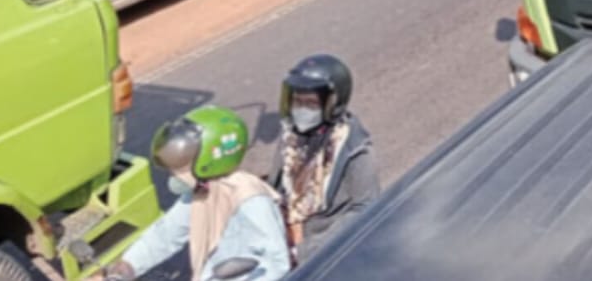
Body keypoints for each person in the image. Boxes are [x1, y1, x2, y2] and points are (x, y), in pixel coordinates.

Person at [91, 107, 289, 281]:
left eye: (181, 167)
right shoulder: (201, 192)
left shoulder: (251, 200)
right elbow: (166, 234)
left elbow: (276, 263)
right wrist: (126, 267)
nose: (174, 174)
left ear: (207, 161)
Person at [271, 54, 379, 266]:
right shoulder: (290, 140)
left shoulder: (355, 150)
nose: (301, 109)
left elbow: (365, 209)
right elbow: (276, 188)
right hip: (283, 244)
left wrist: (307, 251)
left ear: (333, 104)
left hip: (326, 256)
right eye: (297, 101)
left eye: (311, 103)